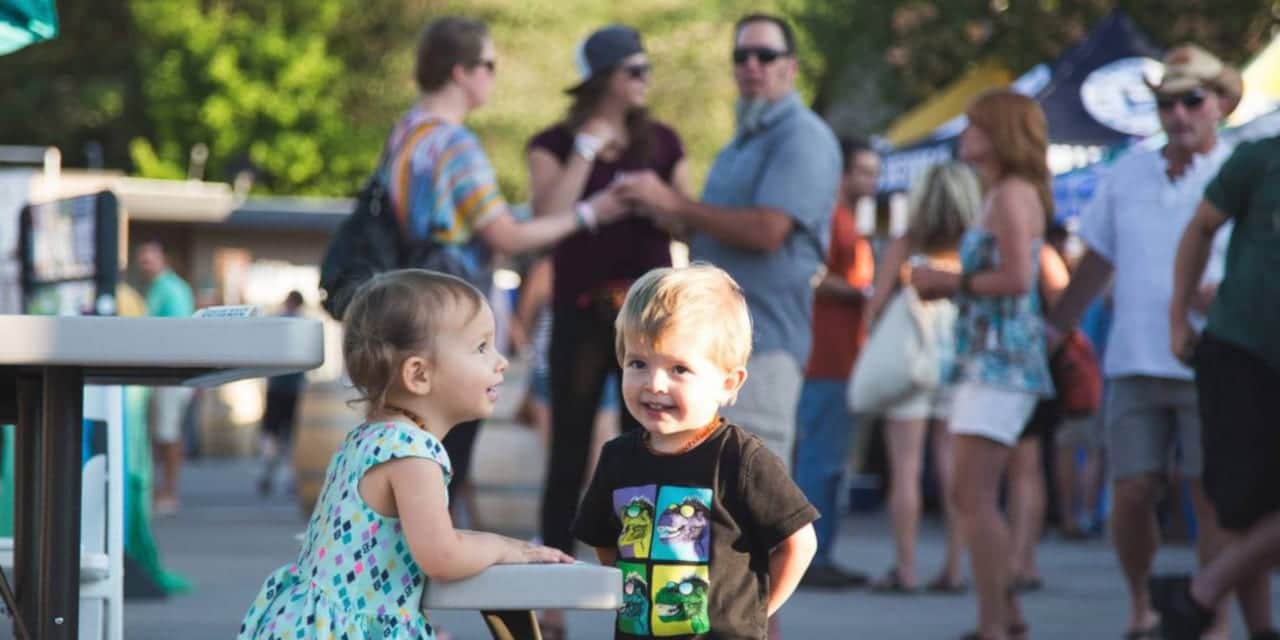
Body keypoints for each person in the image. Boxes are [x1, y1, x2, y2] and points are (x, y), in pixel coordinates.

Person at [238, 269, 573, 640]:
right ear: (419, 375)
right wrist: (505, 547)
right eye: (481, 347)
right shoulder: (412, 452)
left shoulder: (368, 438)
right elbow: (441, 556)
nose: (501, 361)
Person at [385, 16, 628, 512]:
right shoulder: (454, 144)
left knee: (411, 457)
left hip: (405, 307)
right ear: (461, 72)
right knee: (445, 460)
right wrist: (589, 213)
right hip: (450, 316)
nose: (493, 77)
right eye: (490, 65)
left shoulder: (405, 132)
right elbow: (507, 234)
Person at [1045, 44, 1241, 640]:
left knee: (1210, 497)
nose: (1177, 114)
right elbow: (1097, 259)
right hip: (1134, 357)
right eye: (1164, 103)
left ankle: (1213, 616)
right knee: (1131, 492)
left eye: (1191, 100)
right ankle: (1141, 606)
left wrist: (1226, 296)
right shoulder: (1129, 169)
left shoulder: (1241, 168)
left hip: (1217, 360)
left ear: (1220, 105)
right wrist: (1056, 329)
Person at [615, 13, 841, 473]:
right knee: (705, 503)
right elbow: (713, 232)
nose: (752, 65)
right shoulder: (741, 141)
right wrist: (658, 212)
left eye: (766, 55)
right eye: (742, 55)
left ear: (790, 67)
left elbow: (767, 231)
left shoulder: (804, 137)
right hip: (710, 352)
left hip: (765, 347)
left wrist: (675, 202)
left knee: (751, 500)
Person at [525, 26, 690, 600]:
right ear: (603, 79)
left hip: (649, 318)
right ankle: (549, 589)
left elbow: (689, 219)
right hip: (579, 311)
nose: (645, 80)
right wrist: (588, 152)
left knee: (648, 446)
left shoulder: (663, 141)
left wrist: (656, 199)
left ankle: (642, 583)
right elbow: (546, 216)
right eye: (634, 70)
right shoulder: (553, 142)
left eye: (646, 69)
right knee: (568, 448)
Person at [574, 264, 818, 639]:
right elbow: (608, 544)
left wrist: (758, 610)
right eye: (638, 363)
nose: (654, 383)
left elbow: (798, 543)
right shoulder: (617, 459)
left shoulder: (741, 459)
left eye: (679, 369)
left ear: (728, 382)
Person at [910, 90, 1055, 640]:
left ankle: (993, 622)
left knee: (972, 494)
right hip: (990, 360)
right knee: (972, 493)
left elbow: (1019, 278)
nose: (964, 134)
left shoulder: (1012, 194)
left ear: (997, 132)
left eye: (973, 124)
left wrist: (949, 282)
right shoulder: (1003, 193)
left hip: (1001, 363)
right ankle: (1006, 614)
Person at [1149, 133, 1280, 640]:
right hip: (1241, 349)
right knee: (1239, 506)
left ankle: (1198, 595)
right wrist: (1178, 316)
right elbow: (1201, 227)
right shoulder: (1260, 159)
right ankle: (1260, 629)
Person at [861, 161, 979, 595]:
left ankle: (906, 567)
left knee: (905, 468)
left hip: (910, 357)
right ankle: (954, 567)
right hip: (958, 355)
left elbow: (875, 302)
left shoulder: (906, 242)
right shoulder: (972, 244)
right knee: (954, 465)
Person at [789, 137, 877, 589]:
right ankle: (808, 558)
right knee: (819, 462)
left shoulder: (847, 219)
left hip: (844, 357)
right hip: (824, 357)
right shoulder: (828, 216)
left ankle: (822, 553)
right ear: (841, 173)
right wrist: (860, 292)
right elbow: (810, 273)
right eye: (863, 171)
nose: (873, 181)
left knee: (832, 461)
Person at [136, 239, 196, 517]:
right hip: (164, 372)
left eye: (149, 260)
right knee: (161, 433)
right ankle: (162, 489)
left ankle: (169, 491)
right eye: (142, 260)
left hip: (171, 372)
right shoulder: (161, 287)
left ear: (162, 260)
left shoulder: (170, 289)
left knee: (167, 433)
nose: (144, 266)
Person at [257, 290, 307, 497]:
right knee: (289, 436)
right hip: (294, 388)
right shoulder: (303, 325)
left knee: (271, 433)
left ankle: (268, 472)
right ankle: (289, 477)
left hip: (276, 386)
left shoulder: (276, 322)